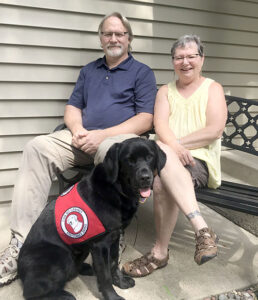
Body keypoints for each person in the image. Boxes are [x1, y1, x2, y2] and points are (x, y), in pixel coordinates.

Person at [0, 12, 157, 286]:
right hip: (82, 138)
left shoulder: (141, 72)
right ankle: (21, 244)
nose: (113, 38)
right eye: (107, 34)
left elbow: (145, 119)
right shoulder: (89, 71)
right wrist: (77, 130)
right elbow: (72, 107)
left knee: (111, 152)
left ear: (129, 39)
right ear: (100, 40)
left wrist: (102, 135)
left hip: (116, 142)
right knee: (37, 147)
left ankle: (112, 238)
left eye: (119, 33)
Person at [122, 34, 227, 277]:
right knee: (160, 176)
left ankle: (160, 252)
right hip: (164, 155)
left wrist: (175, 146)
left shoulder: (213, 88)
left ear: (202, 58)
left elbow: (214, 130)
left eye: (191, 56)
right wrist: (173, 148)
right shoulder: (165, 92)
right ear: (172, 62)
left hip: (198, 160)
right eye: (179, 57)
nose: (185, 62)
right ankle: (201, 230)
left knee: (160, 179)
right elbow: (160, 126)